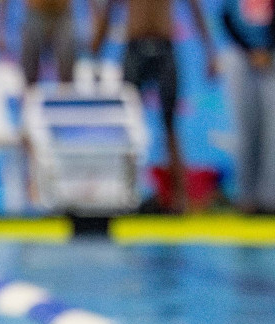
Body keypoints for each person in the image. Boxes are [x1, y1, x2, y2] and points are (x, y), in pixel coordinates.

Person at [91, 0, 218, 212]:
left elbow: (194, 9)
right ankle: (123, 194)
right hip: (135, 48)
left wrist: (209, 50)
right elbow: (110, 10)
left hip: (163, 48)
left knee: (170, 125)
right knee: (127, 129)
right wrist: (95, 50)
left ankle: (180, 199)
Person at [221, 0, 275, 212]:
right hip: (242, 57)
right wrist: (249, 50)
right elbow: (226, 17)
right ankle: (248, 199)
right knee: (247, 132)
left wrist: (271, 49)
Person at [0, 0, 77, 84]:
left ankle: (67, 93)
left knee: (66, 57)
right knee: (29, 63)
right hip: (35, 11)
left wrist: (92, 26)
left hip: (62, 12)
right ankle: (30, 92)